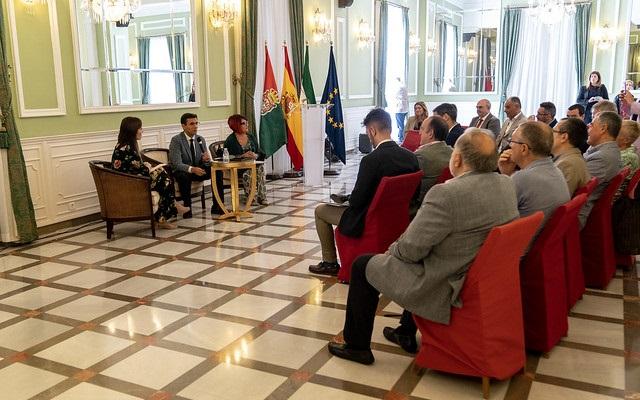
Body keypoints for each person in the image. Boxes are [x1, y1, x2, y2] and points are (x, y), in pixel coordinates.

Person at [327, 129, 519, 364]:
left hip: (444, 282)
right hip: (478, 275)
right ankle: (404, 331)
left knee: (363, 265)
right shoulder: (506, 184)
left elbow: (410, 250)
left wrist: (389, 254)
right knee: (430, 251)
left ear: (457, 159)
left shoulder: (447, 193)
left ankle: (357, 346)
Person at [309, 108, 420, 276]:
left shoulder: (371, 160)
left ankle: (329, 262)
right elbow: (415, 193)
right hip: (398, 217)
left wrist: (347, 199)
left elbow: (358, 201)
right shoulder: (411, 157)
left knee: (320, 211)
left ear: (372, 131)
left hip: (369, 219)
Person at [111, 117, 189, 229]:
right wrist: (147, 167)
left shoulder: (125, 144)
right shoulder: (126, 147)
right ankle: (169, 210)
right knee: (164, 179)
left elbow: (134, 166)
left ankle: (169, 211)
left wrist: (146, 166)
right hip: (128, 183)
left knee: (162, 175)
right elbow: (136, 169)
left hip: (132, 179)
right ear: (132, 129)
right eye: (140, 128)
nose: (142, 131)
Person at [498, 121, 570, 229]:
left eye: (511, 141)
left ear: (524, 149)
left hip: (522, 242)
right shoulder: (556, 170)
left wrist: (506, 176)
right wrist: (507, 173)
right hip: (543, 240)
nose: (509, 145)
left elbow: (497, 217)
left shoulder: (522, 178)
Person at [169, 113, 224, 218]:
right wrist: (192, 169)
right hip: (184, 171)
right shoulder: (176, 140)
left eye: (196, 123)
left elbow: (205, 163)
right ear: (183, 126)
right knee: (183, 176)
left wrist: (206, 160)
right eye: (191, 124)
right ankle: (187, 209)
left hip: (198, 169)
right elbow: (176, 164)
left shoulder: (200, 139)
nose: (195, 126)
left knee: (216, 171)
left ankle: (218, 206)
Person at [579, 111, 623, 226]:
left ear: (603, 129)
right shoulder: (600, 149)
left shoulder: (603, 157)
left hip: (579, 214)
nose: (588, 125)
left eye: (592, 124)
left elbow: (578, 187)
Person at [223, 114, 268, 205]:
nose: (247, 125)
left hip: (253, 164)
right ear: (236, 125)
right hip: (238, 168)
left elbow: (260, 152)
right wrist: (242, 155)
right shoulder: (231, 140)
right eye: (243, 123)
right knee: (249, 172)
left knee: (260, 168)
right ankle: (250, 198)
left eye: (246, 123)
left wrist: (255, 155)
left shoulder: (250, 136)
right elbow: (227, 157)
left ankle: (262, 197)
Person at [411, 116, 452, 214]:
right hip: (444, 204)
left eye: (422, 129)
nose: (419, 133)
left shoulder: (420, 156)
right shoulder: (453, 153)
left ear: (430, 134)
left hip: (420, 208)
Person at [551, 118, 591, 195]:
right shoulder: (573, 157)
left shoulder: (567, 164)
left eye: (553, 131)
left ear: (564, 137)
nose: (549, 135)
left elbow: (556, 200)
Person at [395, 77, 409, 141]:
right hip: (405, 108)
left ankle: (401, 139)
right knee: (402, 125)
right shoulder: (404, 86)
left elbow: (396, 96)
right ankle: (402, 137)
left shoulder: (398, 87)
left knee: (400, 126)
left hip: (399, 109)